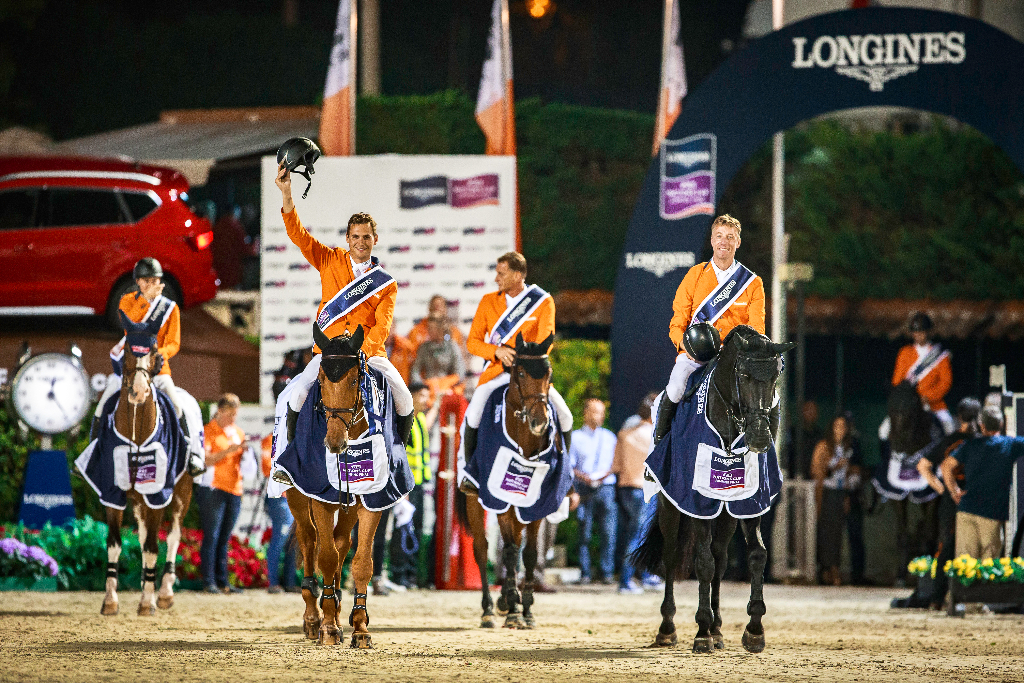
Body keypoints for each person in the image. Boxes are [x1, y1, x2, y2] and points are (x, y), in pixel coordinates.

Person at [273, 163, 414, 451]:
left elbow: (383, 325)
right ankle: (289, 457)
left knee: (405, 398)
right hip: (329, 351)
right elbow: (298, 234)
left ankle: (398, 453)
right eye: (356, 237)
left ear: (375, 240)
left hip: (367, 353)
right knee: (298, 393)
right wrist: (287, 193)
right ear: (347, 239)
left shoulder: (386, 283)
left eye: (366, 237)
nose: (361, 242)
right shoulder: (329, 259)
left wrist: (365, 350)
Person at [458, 251, 573, 487]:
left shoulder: (543, 301)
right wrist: (496, 352)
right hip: (497, 371)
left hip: (529, 375)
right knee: (473, 413)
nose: (496, 278)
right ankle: (470, 472)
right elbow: (473, 342)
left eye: (501, 273)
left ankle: (564, 475)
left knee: (566, 416)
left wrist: (521, 360)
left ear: (518, 274)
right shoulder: (488, 301)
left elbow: (545, 340)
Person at [655, 214, 767, 445]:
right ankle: (660, 446)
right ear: (712, 240)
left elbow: (757, 328)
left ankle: (762, 451)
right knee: (675, 389)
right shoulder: (695, 275)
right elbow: (677, 323)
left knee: (765, 397)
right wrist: (687, 345)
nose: (724, 242)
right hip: (695, 355)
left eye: (730, 237)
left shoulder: (752, 283)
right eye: (719, 236)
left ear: (738, 242)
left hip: (734, 357)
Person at [892, 396, 981, 608]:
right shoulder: (981, 440)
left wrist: (942, 489)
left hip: (952, 500)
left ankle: (937, 597)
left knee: (947, 548)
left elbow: (923, 466)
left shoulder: (950, 440)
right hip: (975, 499)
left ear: (959, 417)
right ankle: (967, 597)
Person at [942, 405, 1024, 560]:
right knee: (989, 568)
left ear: (982, 425)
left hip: (966, 511)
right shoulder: (1010, 445)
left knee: (965, 567)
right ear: (1001, 424)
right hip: (992, 515)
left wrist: (954, 491)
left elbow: (946, 466)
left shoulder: (969, 445)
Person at [390, 383, 439, 589]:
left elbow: (428, 424)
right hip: (405, 486)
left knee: (416, 528)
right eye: (421, 396)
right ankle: (398, 574)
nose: (425, 400)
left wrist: (437, 404)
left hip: (418, 484)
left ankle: (410, 575)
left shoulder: (418, 419)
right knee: (402, 529)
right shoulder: (403, 420)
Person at [199, 394, 246, 594]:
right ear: (219, 411)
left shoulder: (238, 432)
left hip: (235, 488)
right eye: (230, 414)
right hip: (213, 488)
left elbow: (241, 458)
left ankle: (223, 582)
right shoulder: (208, 431)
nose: (233, 419)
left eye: (235, 415)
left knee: (225, 537)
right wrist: (229, 451)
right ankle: (208, 581)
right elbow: (205, 460)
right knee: (211, 536)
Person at [612, 393, 658, 594]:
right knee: (639, 536)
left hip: (625, 488)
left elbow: (615, 465)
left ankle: (645, 576)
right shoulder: (654, 435)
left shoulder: (624, 434)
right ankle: (626, 581)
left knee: (635, 534)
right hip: (644, 489)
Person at [811, 413, 863, 586]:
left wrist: (850, 482)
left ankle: (835, 568)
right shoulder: (824, 446)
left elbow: (853, 472)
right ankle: (826, 569)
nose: (841, 430)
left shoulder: (848, 448)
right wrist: (833, 467)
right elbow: (816, 471)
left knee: (838, 533)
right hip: (827, 492)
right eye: (837, 426)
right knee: (826, 532)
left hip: (841, 493)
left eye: (843, 426)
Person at [570, 398, 618, 584]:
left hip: (606, 488)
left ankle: (606, 572)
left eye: (602, 412)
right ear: (586, 413)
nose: (600, 416)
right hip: (584, 488)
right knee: (585, 532)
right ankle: (585, 573)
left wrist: (605, 474)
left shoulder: (609, 437)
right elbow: (570, 466)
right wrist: (584, 477)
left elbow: (616, 463)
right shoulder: (575, 438)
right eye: (596, 411)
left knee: (608, 532)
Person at [892, 312, 954, 435]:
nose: (918, 335)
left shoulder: (940, 356)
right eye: (916, 332)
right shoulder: (904, 353)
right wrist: (910, 399)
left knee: (950, 428)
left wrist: (928, 397)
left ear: (928, 332)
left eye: (921, 331)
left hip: (933, 404)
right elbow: (897, 381)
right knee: (883, 431)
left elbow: (946, 382)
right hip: (908, 405)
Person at [261, 435, 297, 594]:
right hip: (279, 497)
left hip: (297, 497)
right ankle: (273, 582)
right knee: (280, 538)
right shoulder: (270, 440)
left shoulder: (299, 439)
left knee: (294, 541)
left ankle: (289, 582)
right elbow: (266, 466)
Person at [410, 316, 465, 396]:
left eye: (432, 328)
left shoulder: (452, 346)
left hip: (448, 388)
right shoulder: (424, 347)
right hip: (428, 388)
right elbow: (415, 370)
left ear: (440, 329)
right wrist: (421, 386)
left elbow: (460, 373)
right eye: (428, 328)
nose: (428, 330)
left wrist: (445, 384)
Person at [407, 295, 466, 360]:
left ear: (445, 309)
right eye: (434, 306)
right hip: (424, 368)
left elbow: (460, 357)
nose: (437, 308)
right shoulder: (416, 331)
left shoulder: (454, 332)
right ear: (429, 308)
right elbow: (411, 357)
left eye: (440, 306)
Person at [787, 400, 824, 479]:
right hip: (793, 478)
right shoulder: (793, 432)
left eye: (813, 410)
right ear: (801, 412)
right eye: (807, 409)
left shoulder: (820, 435)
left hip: (813, 479)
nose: (810, 413)